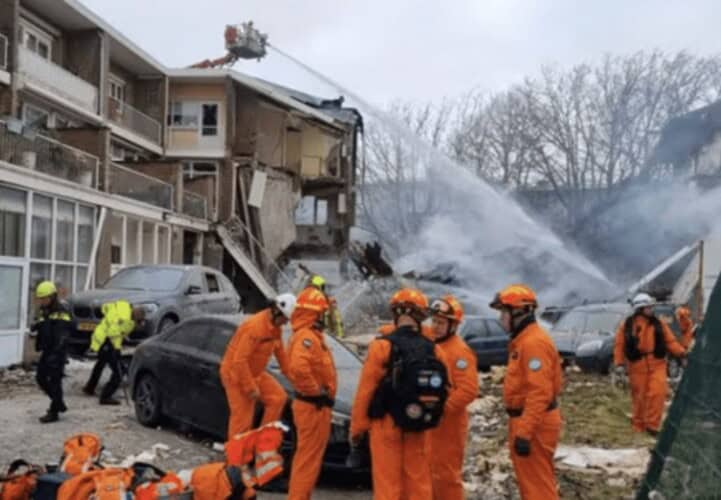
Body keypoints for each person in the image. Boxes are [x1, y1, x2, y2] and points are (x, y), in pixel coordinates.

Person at [350, 288, 453, 500]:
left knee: (388, 485)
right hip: (418, 425)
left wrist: (357, 430)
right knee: (418, 483)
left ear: (396, 314)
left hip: (386, 424)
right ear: (420, 316)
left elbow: (365, 391)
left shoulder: (382, 346)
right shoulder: (434, 350)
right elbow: (446, 388)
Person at [490, 284, 563, 500]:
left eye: (504, 311)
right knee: (531, 485)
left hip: (534, 423)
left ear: (519, 312)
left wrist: (525, 432)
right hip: (527, 420)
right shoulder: (524, 341)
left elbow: (539, 393)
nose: (501, 318)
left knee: (538, 487)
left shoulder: (533, 343)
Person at [219, 294, 296, 439]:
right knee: (242, 420)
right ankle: (235, 460)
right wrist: (250, 387)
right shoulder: (255, 327)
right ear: (276, 312)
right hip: (235, 375)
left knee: (278, 397)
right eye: (285, 319)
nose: (286, 324)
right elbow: (239, 361)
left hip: (255, 373)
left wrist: (296, 381)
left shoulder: (274, 329)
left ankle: (263, 442)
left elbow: (282, 357)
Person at [287, 287, 337, 500]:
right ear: (314, 313)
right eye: (322, 312)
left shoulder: (310, 336)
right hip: (312, 407)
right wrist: (315, 392)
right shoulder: (306, 337)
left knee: (309, 461)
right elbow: (299, 368)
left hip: (315, 407)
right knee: (307, 462)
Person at [614, 293, 686, 435]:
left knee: (658, 394)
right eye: (649, 307)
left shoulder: (659, 324)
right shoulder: (627, 326)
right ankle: (638, 427)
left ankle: (652, 427)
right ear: (640, 308)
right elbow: (619, 345)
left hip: (657, 364)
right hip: (637, 366)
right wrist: (619, 364)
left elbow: (670, 341)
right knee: (640, 399)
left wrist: (682, 353)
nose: (652, 310)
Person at [429, 295, 479, 500]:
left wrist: (442, 409)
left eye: (441, 322)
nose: (436, 326)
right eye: (434, 321)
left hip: (448, 425)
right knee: (428, 474)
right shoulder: (432, 344)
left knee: (446, 477)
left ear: (453, 325)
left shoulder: (460, 352)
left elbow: (468, 390)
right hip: (432, 423)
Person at [83, 300, 145, 405]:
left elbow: (117, 329)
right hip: (106, 341)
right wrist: (116, 348)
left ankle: (89, 387)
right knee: (118, 371)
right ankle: (105, 396)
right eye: (138, 321)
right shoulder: (124, 318)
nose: (136, 324)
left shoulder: (124, 309)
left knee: (101, 363)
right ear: (135, 317)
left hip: (101, 338)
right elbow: (113, 332)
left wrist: (122, 338)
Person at [32, 281, 74, 423]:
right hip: (47, 350)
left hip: (58, 352)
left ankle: (54, 411)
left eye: (44, 298)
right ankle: (59, 402)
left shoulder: (61, 312)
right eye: (40, 298)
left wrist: (56, 355)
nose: (41, 301)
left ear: (52, 297)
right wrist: (36, 326)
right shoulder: (45, 310)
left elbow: (63, 335)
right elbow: (44, 324)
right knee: (40, 378)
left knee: (55, 382)